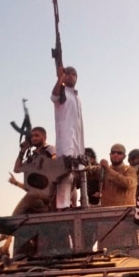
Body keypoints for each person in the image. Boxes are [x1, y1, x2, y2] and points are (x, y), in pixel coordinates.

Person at [51, 65, 85, 210]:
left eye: (74, 74)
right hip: (65, 139)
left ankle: (78, 203)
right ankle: (62, 206)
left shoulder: (77, 96)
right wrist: (59, 79)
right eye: (68, 73)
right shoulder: (62, 92)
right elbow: (54, 96)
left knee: (79, 173)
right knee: (65, 174)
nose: (71, 76)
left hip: (78, 140)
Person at [10, 126, 56, 215]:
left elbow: (55, 161)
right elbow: (17, 169)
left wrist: (41, 159)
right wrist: (22, 151)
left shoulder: (49, 148)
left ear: (44, 137)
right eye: (32, 136)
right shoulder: (32, 157)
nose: (34, 138)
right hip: (36, 193)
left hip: (48, 191)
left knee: (16, 215)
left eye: (37, 135)